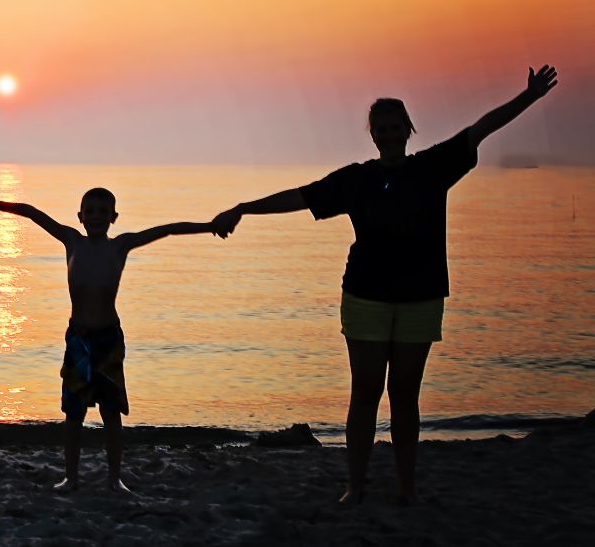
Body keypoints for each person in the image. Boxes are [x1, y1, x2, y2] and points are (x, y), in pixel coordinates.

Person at [211, 66, 559, 504]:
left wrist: (529, 97)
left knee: (405, 396)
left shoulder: (433, 167)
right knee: (366, 391)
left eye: (397, 127)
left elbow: (481, 129)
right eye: (382, 129)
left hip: (420, 296)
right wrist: (242, 208)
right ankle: (355, 487)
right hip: (366, 296)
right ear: (373, 135)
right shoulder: (356, 179)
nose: (390, 135)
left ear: (408, 130)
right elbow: (301, 197)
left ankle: (406, 489)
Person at [0, 187, 223, 492]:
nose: (95, 217)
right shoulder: (71, 240)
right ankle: (71, 476)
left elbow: (168, 230)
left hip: (108, 338)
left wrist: (209, 226)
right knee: (74, 414)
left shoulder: (120, 246)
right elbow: (31, 212)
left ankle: (114, 478)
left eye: (102, 212)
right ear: (79, 217)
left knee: (111, 412)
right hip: (79, 339)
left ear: (114, 217)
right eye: (89, 211)